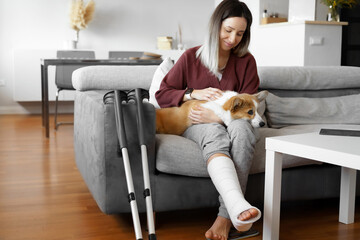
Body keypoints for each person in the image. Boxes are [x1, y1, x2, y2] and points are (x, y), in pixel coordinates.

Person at [155, 0, 261, 239]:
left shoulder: (247, 62)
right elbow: (162, 94)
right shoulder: (191, 56)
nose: (233, 39)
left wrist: (217, 116)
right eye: (228, 30)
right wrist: (192, 93)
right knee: (213, 133)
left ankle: (226, 215)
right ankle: (234, 210)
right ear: (216, 26)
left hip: (228, 123)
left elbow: (250, 107)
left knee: (242, 130)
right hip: (195, 123)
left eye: (240, 33)